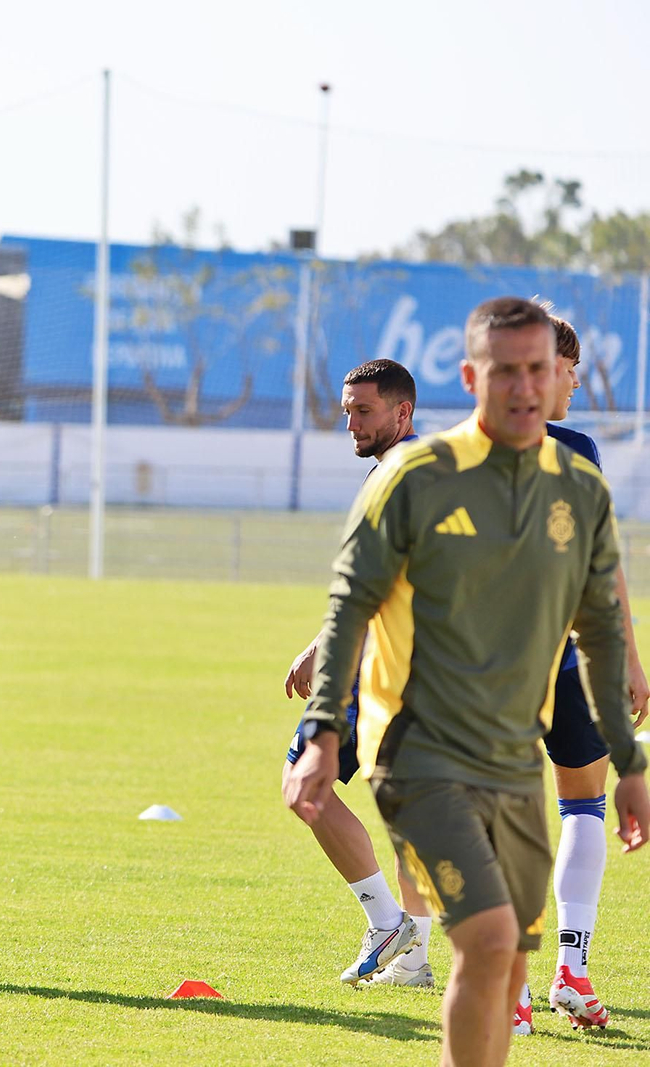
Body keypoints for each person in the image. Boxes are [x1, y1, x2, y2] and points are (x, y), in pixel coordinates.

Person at [286, 296, 650, 1067]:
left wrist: (629, 760)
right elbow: (351, 600)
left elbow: (599, 611)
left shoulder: (576, 482)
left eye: (540, 370)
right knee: (487, 942)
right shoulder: (419, 474)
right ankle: (414, 938)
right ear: (472, 377)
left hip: (511, 753)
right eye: (506, 370)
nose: (527, 386)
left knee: (501, 953)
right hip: (419, 744)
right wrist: (321, 738)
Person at [509, 308, 650, 1034]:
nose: (575, 384)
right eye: (572, 369)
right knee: (576, 807)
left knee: (538, 811)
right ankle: (563, 969)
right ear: (550, 367)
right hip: (548, 657)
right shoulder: (570, 446)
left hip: (513, 660)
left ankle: (534, 980)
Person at [282, 358, 434, 986]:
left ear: (403, 412)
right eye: (346, 410)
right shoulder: (406, 468)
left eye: (362, 411)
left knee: (303, 783)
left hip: (392, 668)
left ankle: (386, 922)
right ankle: (417, 959)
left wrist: (327, 645)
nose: (350, 422)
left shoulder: (406, 474)